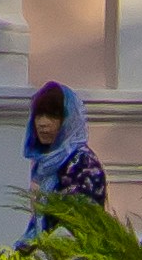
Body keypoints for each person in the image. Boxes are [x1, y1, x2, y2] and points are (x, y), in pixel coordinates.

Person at [22, 78, 111, 229]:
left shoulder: (83, 164)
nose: (42, 123)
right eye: (39, 115)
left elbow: (74, 226)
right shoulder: (46, 166)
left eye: (52, 116)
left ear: (69, 121)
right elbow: (39, 227)